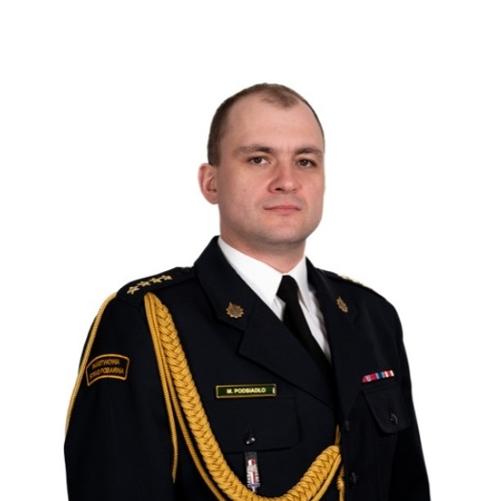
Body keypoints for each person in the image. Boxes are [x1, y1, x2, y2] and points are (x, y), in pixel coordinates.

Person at [64, 83, 430, 501]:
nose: (287, 181)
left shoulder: (372, 317)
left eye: (306, 161)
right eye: (259, 159)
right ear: (211, 182)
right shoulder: (145, 322)